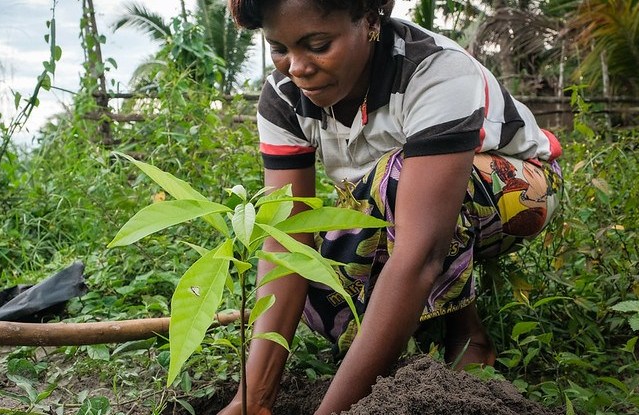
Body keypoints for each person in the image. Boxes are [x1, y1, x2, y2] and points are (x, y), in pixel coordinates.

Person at [219, 0, 563, 414]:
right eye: (280, 48)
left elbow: (419, 255)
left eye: (318, 44)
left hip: (518, 190)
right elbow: (287, 241)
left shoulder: (434, 70)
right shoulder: (284, 96)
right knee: (323, 290)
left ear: (369, 20)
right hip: (393, 200)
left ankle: (467, 337)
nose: (297, 67)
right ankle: (422, 330)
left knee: (399, 179)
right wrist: (251, 400)